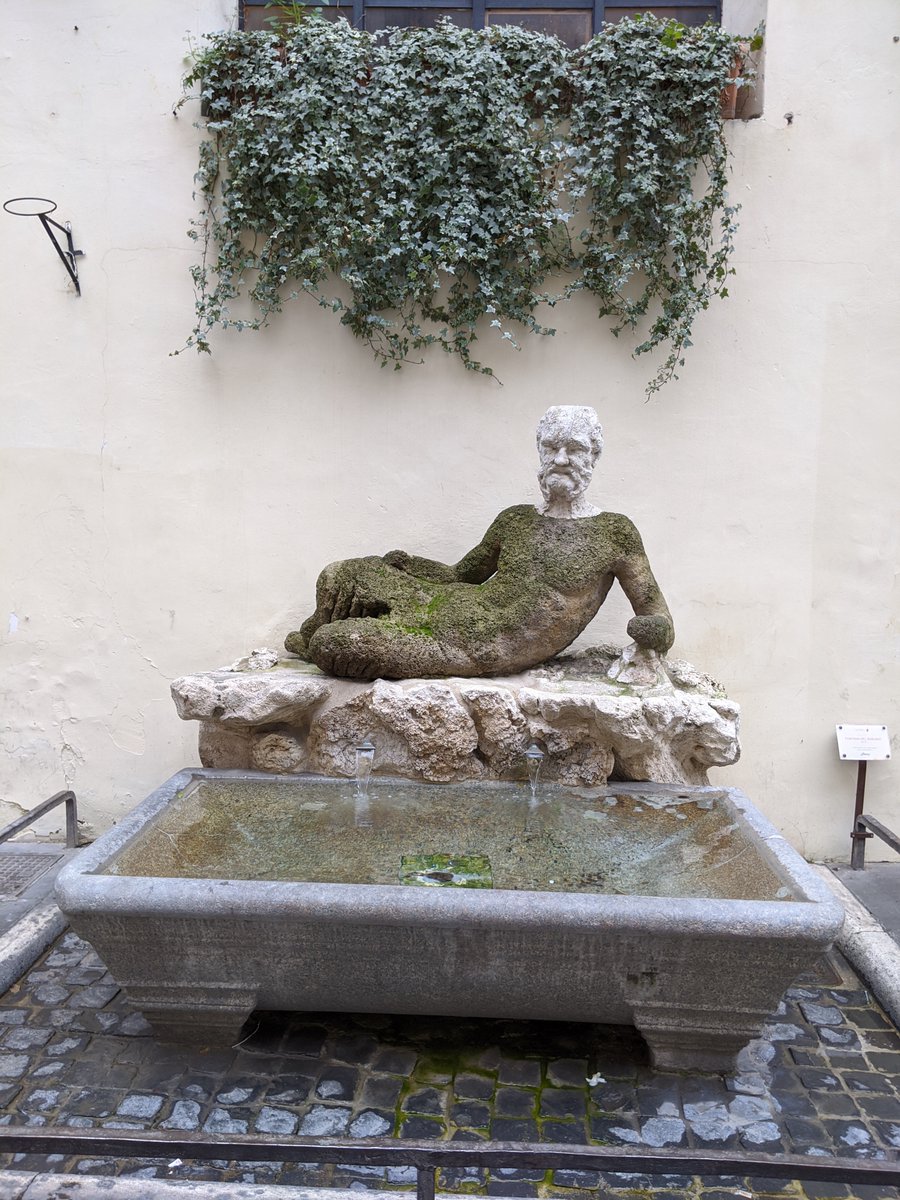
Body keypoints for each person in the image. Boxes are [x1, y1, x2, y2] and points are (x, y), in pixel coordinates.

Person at [284, 406, 673, 680]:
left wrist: (651, 631)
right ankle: (312, 628)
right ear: (539, 451)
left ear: (594, 455)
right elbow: (460, 575)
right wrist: (409, 565)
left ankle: (319, 636)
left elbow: (659, 616)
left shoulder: (614, 532)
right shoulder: (515, 519)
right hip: (449, 604)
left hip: (474, 647)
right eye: (551, 448)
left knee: (335, 645)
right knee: (343, 574)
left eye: (574, 448)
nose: (560, 459)